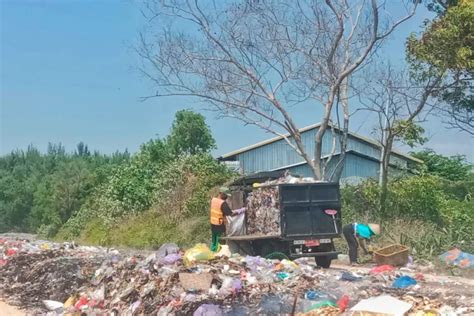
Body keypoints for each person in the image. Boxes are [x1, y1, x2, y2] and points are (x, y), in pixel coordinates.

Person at [210, 187, 246, 252]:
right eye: (226, 195)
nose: (226, 197)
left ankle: (213, 252)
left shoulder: (213, 200)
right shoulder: (222, 203)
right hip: (219, 225)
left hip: (213, 224)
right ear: (221, 194)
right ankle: (219, 254)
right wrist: (241, 210)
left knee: (214, 241)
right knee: (221, 242)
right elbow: (231, 214)